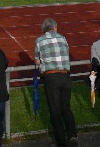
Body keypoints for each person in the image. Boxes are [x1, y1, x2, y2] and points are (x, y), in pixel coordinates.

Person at [35, 19, 78, 147]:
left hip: (51, 76)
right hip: (65, 75)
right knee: (66, 107)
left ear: (43, 29)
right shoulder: (63, 38)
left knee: (55, 110)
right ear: (55, 28)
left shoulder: (39, 40)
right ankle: (72, 136)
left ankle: (60, 141)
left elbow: (37, 61)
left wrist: (41, 64)